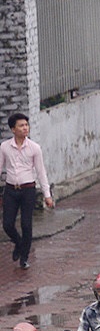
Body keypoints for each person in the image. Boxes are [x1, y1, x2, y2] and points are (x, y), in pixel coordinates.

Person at [0, 113, 52, 270]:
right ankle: (18, 242)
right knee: (8, 224)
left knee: (26, 224)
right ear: (13, 129)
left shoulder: (34, 148)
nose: (25, 128)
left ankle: (24, 257)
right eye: (21, 126)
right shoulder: (4, 147)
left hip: (28, 189)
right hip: (10, 189)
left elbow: (41, 172)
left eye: (26, 125)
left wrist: (47, 195)